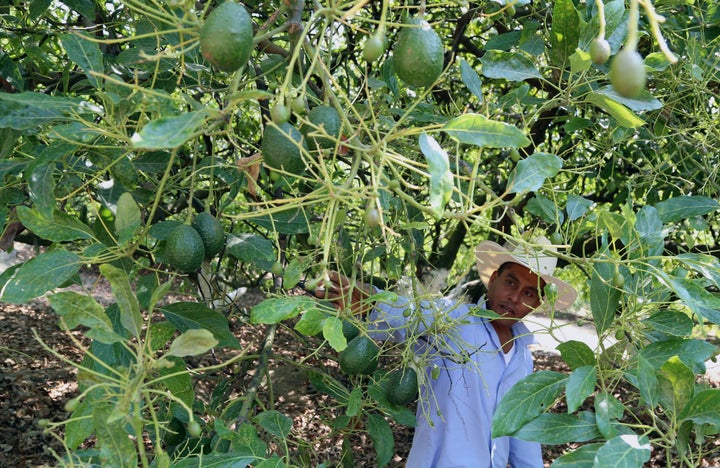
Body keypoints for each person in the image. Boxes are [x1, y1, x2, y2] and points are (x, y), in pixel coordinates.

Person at [316, 236, 577, 468]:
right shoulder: (453, 320)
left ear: (537, 303)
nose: (515, 298)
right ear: (494, 279)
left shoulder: (523, 357)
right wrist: (366, 298)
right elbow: (409, 314)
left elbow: (522, 426)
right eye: (511, 282)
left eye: (529, 293)